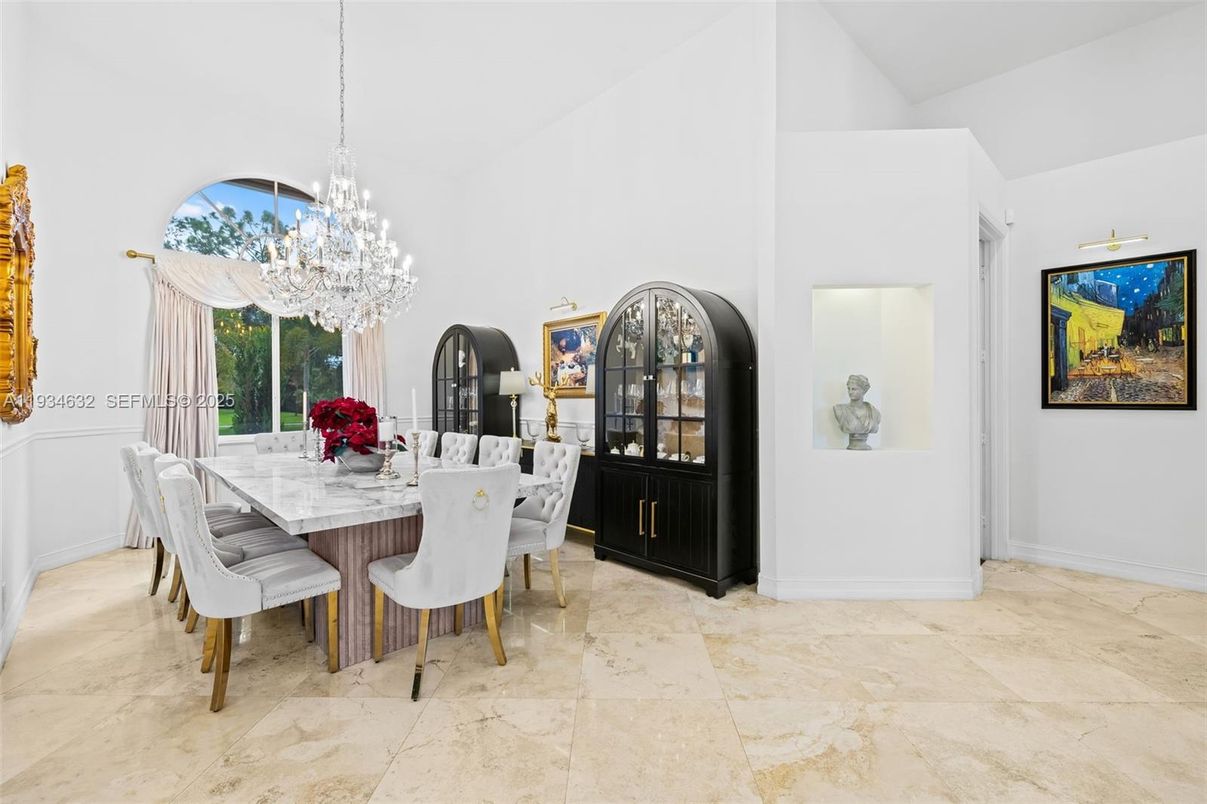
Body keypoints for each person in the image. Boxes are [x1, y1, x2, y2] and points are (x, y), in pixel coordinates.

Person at [832, 374, 881, 450]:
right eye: (849, 389)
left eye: (854, 389)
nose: (850, 392)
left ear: (863, 391)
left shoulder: (874, 413)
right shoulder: (840, 410)